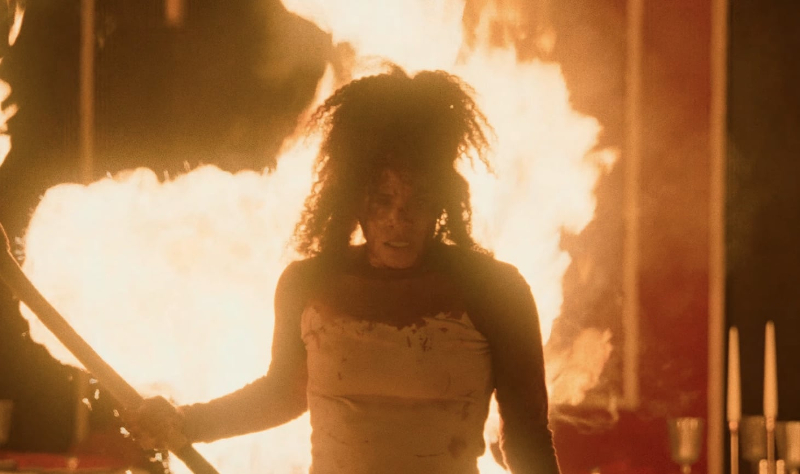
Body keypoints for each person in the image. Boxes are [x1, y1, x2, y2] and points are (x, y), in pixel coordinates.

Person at [129, 67, 561, 474]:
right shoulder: (307, 285)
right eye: (382, 199)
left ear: (443, 200)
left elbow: (526, 432)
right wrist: (187, 422)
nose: (398, 219)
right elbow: (283, 393)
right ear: (353, 197)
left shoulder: (495, 291)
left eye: (418, 200)